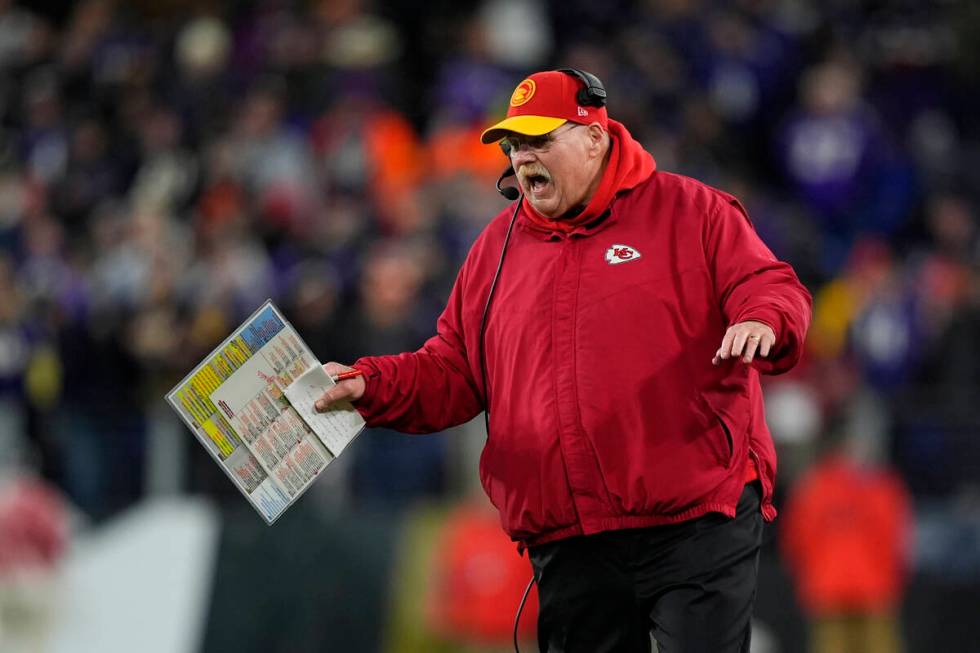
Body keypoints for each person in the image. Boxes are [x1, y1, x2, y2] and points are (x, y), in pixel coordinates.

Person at [315, 69, 812, 652]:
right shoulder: (495, 249)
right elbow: (451, 370)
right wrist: (367, 385)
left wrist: (762, 319)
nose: (523, 158)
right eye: (514, 145)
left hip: (694, 517)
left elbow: (769, 283)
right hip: (571, 536)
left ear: (594, 136)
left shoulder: (690, 210)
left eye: (539, 140)